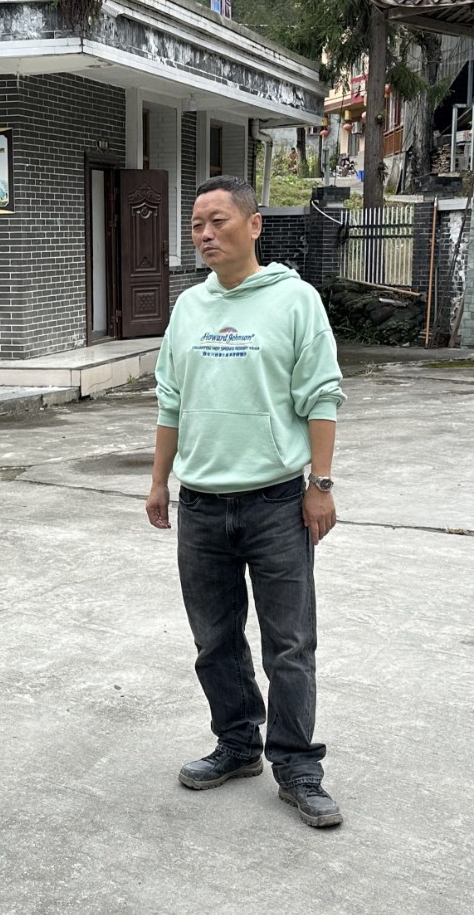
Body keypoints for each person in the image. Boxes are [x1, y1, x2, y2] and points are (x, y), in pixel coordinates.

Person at [145, 175, 346, 829]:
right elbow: (170, 401)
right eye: (196, 224)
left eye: (219, 221)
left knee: (289, 643)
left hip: (276, 504)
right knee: (214, 640)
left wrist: (320, 485)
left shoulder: (294, 300)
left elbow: (321, 396)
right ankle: (237, 745)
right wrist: (159, 481)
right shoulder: (188, 308)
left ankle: (298, 766)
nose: (205, 234)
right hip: (202, 505)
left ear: (254, 225)